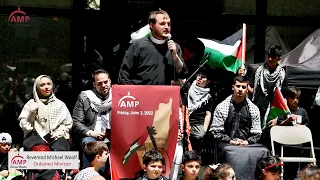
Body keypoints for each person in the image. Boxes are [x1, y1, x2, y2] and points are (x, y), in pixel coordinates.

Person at [210, 76, 268, 180]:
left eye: (243, 87)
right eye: (238, 86)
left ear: (247, 89)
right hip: (227, 144)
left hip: (247, 145)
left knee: (264, 150)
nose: (240, 89)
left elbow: (257, 133)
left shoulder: (253, 109)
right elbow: (216, 132)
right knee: (229, 150)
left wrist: (247, 142)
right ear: (233, 87)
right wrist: (230, 141)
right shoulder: (221, 107)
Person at [118, 10, 188, 85]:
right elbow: (124, 74)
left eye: (169, 24)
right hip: (141, 94)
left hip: (166, 94)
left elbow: (182, 74)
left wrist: (176, 57)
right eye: (162, 24)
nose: (167, 27)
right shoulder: (138, 45)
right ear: (152, 25)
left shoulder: (175, 47)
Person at [18, 75, 72, 151]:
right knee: (40, 150)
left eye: (48, 84)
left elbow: (67, 124)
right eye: (42, 85)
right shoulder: (30, 104)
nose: (46, 87)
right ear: (37, 88)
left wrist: (56, 134)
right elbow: (25, 127)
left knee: (60, 150)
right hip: (34, 136)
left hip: (56, 136)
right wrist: (31, 113)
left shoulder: (60, 105)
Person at [72, 69, 112, 168]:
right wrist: (91, 133)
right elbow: (76, 123)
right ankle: (91, 176)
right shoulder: (85, 97)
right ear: (94, 84)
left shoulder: (119, 95)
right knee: (92, 146)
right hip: (92, 136)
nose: (103, 85)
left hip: (113, 136)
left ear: (110, 81)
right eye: (99, 83)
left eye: (106, 82)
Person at [252, 45, 286, 126]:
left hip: (272, 111)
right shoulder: (258, 71)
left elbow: (282, 97)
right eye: (269, 56)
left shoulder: (282, 74)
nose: (270, 59)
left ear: (279, 58)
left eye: (273, 57)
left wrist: (277, 118)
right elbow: (250, 88)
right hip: (256, 109)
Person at [188, 66, 213, 153]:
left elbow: (208, 114)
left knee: (198, 138)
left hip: (198, 124)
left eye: (203, 77)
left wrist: (204, 130)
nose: (199, 78)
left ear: (208, 81)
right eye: (198, 75)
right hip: (186, 121)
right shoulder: (189, 88)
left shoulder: (208, 97)